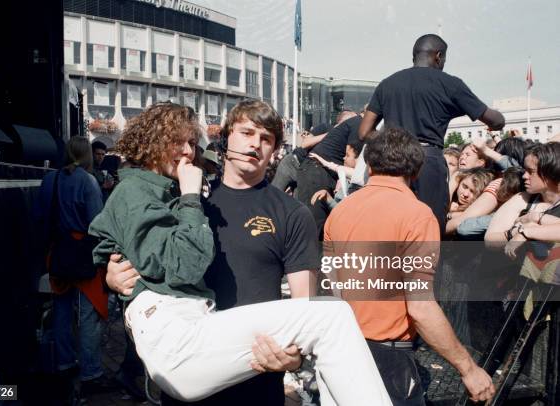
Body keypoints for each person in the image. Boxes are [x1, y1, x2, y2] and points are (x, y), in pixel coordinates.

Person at [89, 102, 391, 405]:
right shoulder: (189, 200)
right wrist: (111, 276)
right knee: (334, 317)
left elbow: (304, 306)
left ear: (274, 150)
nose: (254, 144)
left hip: (256, 378)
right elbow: (132, 243)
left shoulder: (291, 213)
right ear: (226, 139)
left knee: (330, 317)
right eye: (246, 132)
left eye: (266, 138)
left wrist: (293, 360)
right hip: (194, 363)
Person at [324, 127, 496, 405]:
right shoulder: (417, 215)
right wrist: (468, 368)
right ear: (416, 172)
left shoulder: (341, 210)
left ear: (369, 165)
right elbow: (420, 305)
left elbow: (334, 288)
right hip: (386, 358)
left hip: (342, 347)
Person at [359, 34, 505, 232]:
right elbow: (495, 120)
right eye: (444, 59)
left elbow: (364, 132)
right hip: (428, 163)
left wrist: (396, 144)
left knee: (389, 227)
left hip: (391, 163)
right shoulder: (449, 84)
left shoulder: (388, 83)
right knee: (430, 228)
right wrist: (495, 122)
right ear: (438, 56)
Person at [36, 136, 111, 397]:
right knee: (89, 315)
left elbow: (41, 217)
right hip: (83, 253)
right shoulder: (88, 181)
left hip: (58, 252)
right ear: (87, 155)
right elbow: (97, 224)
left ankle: (64, 363)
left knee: (61, 309)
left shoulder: (50, 179)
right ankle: (91, 373)